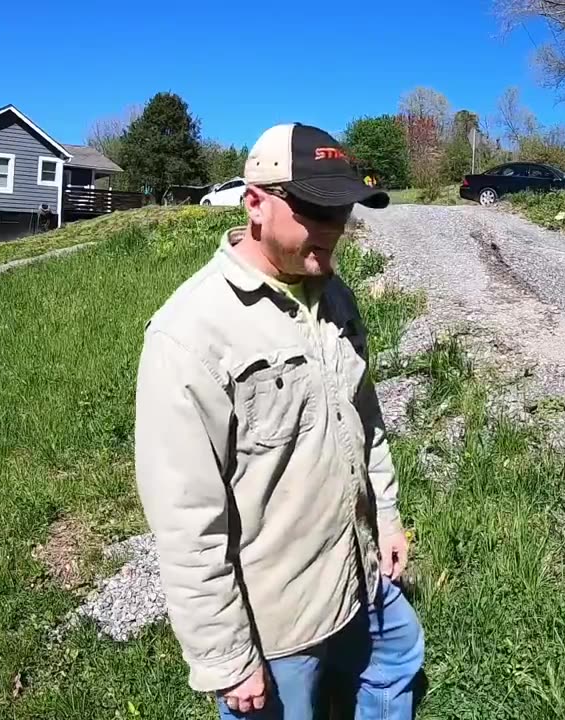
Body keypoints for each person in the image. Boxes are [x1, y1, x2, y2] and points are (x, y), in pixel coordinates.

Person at [134, 123, 424, 720]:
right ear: (255, 203)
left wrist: (388, 520)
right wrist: (228, 657)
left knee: (399, 655)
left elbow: (365, 421)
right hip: (278, 616)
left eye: (340, 208)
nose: (334, 225)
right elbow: (187, 518)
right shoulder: (189, 334)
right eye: (316, 208)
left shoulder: (332, 295)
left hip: (358, 566)